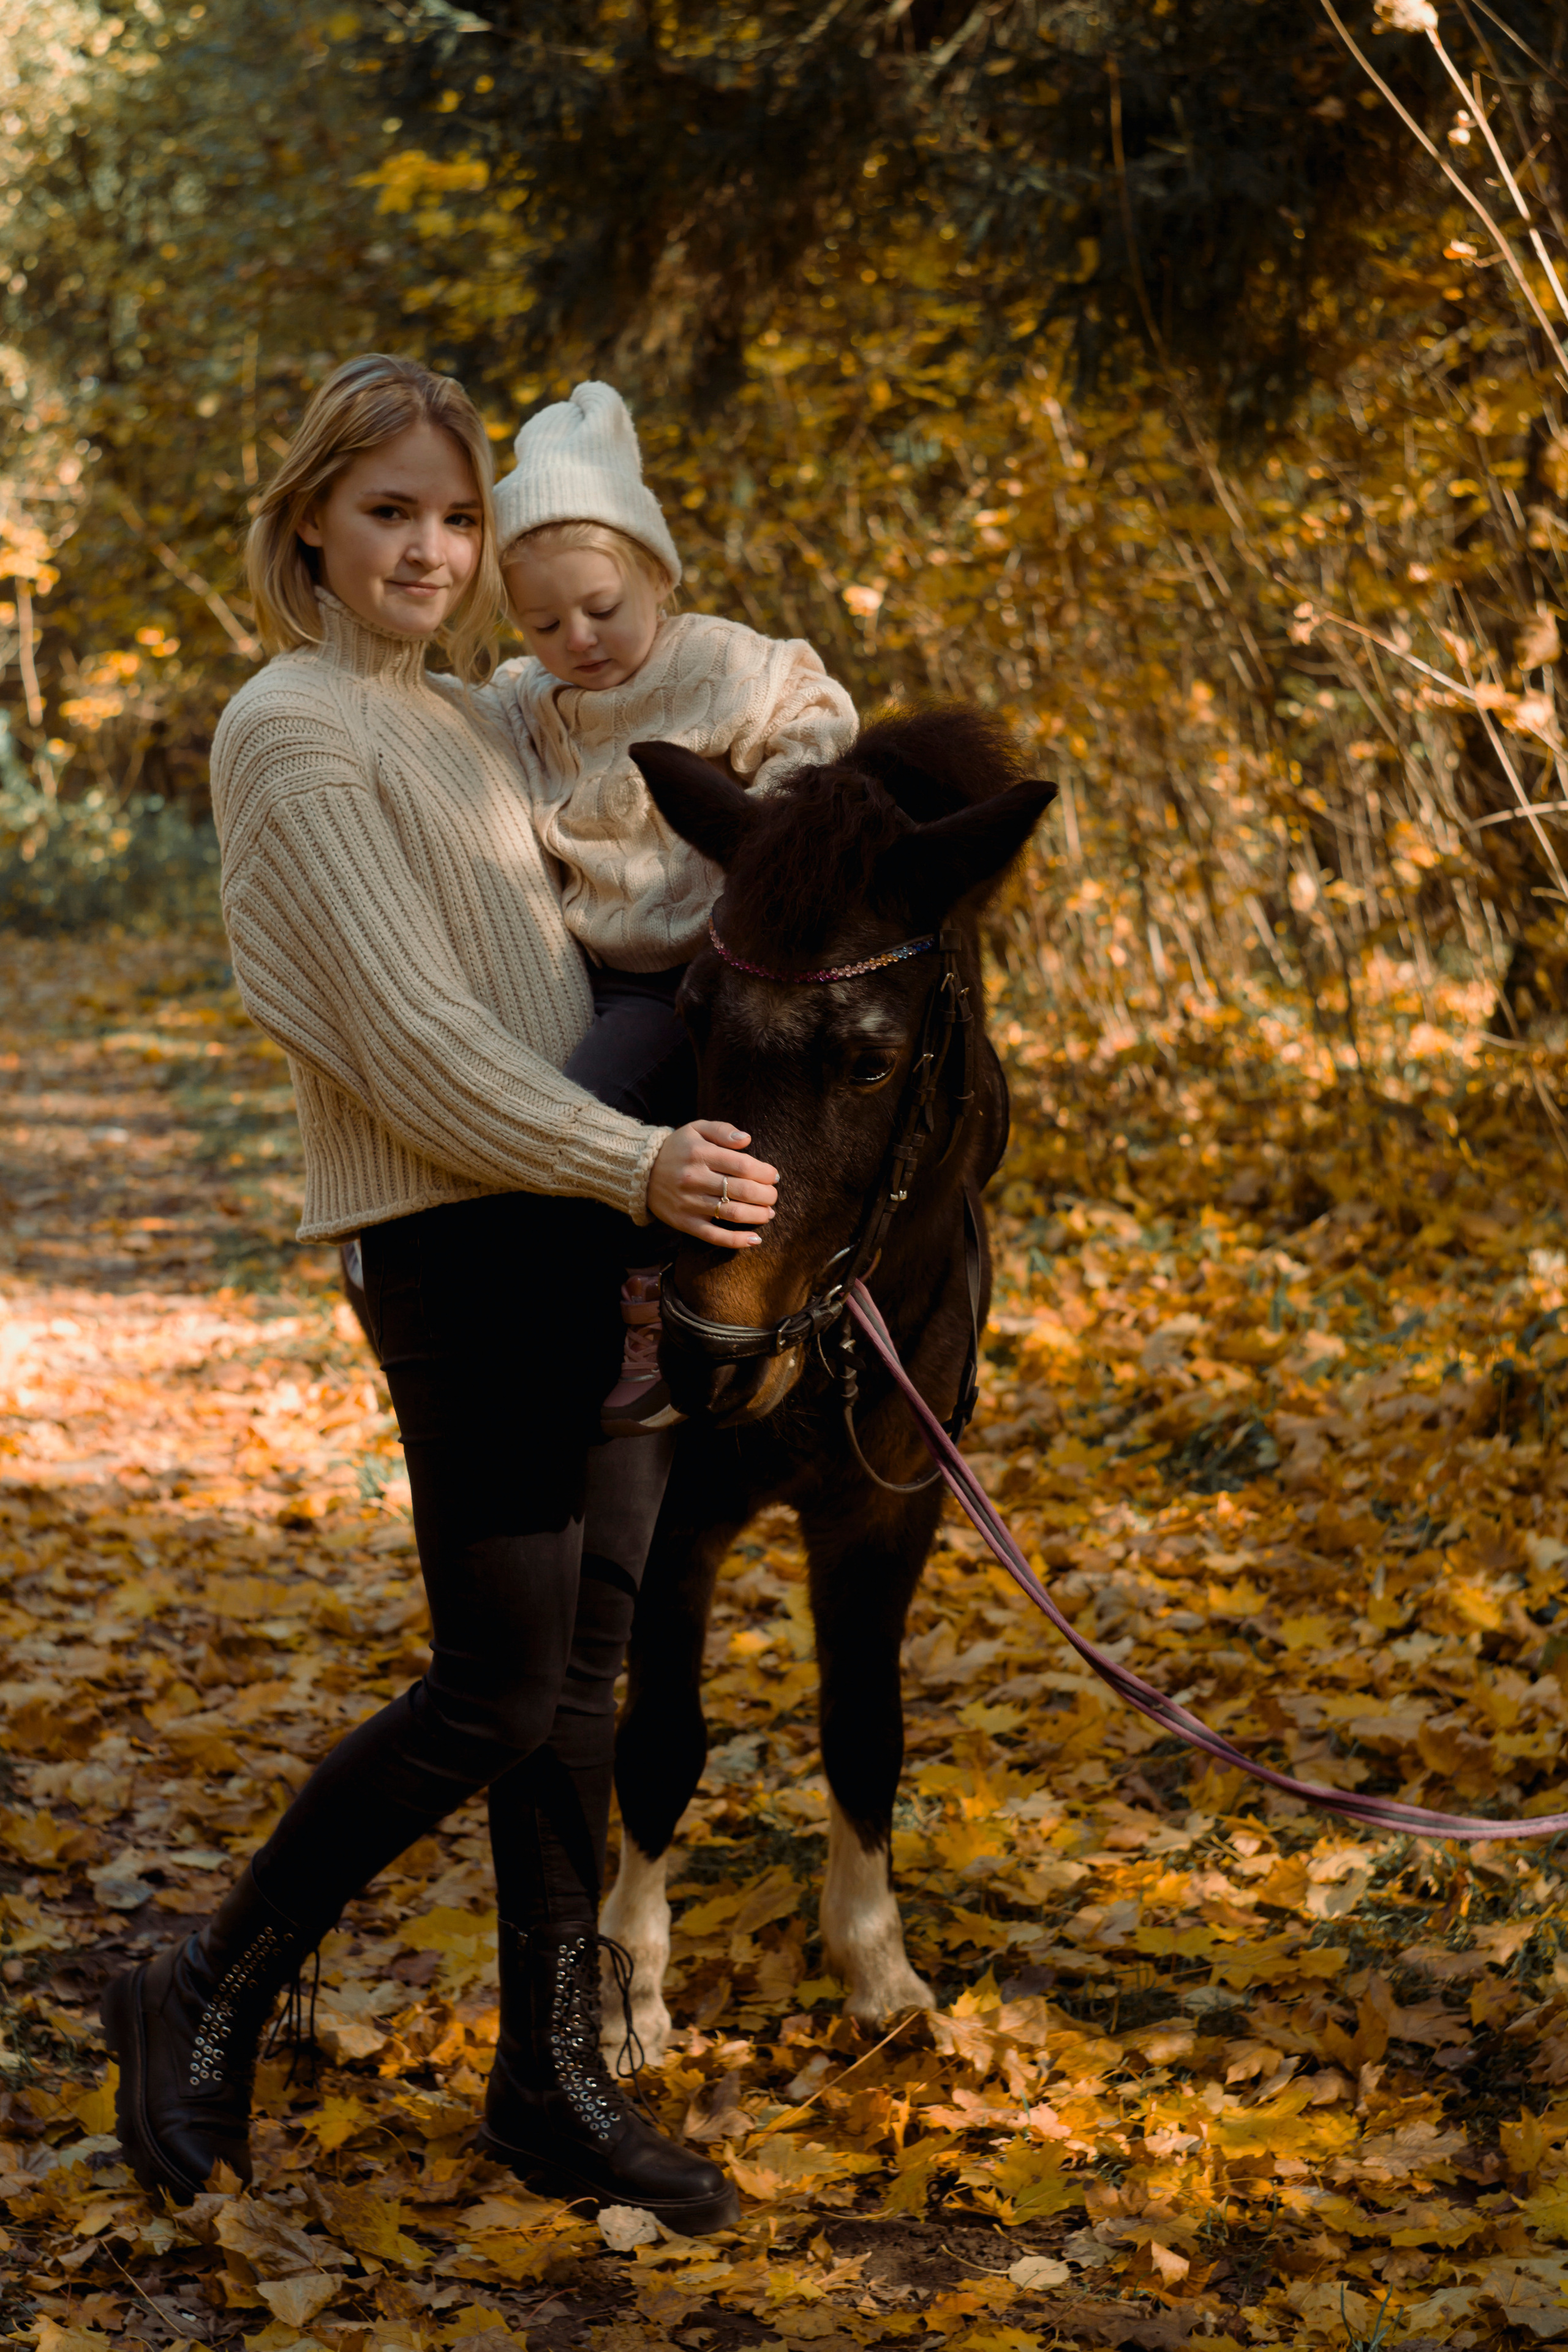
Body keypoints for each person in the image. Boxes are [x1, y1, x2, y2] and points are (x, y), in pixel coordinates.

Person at [99, 353, 781, 2237]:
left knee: (583, 1689)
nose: (431, 544)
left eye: (459, 513)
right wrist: (636, 1162)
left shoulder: (489, 718)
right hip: (466, 1244)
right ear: (310, 515)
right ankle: (202, 1984)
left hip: (592, 1241)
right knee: (491, 1687)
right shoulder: (292, 727)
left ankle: (552, 2089)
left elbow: (673, 776)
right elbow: (410, 1039)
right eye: (390, 507)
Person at [490, 382, 856, 1433]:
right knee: (559, 1111)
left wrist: (773, 826)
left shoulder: (719, 662)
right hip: (594, 970)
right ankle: (598, 1301)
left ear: (656, 572)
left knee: (587, 1105)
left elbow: (815, 708)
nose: (580, 638)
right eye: (544, 619)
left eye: (603, 608)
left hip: (701, 968)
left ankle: (651, 1310)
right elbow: (468, 721)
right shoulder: (530, 693)